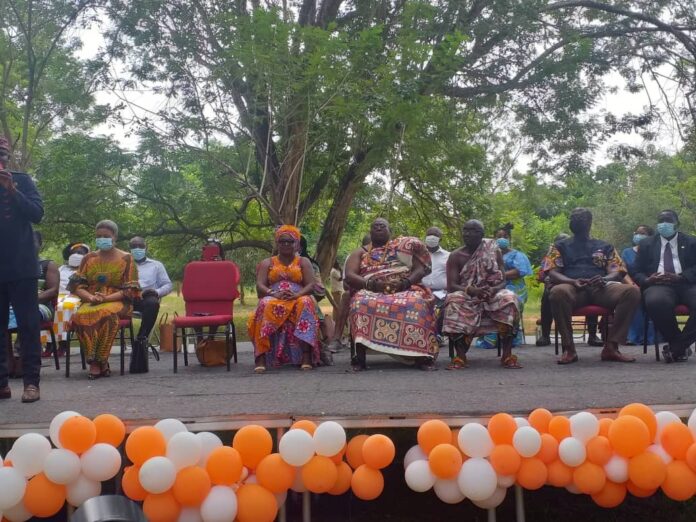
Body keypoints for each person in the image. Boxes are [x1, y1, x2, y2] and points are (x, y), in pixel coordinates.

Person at [545, 208, 640, 364]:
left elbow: (617, 271)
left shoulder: (605, 246)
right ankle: (569, 349)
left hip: (600, 287)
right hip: (572, 287)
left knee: (631, 291)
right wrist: (571, 281)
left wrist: (604, 279)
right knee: (557, 292)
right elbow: (552, 272)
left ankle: (611, 347)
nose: (576, 221)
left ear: (589, 222)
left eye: (580, 218)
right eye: (573, 218)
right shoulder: (559, 246)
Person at [345, 218, 438, 371]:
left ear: (390, 231)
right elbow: (349, 275)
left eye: (383, 226)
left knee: (417, 303)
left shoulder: (401, 249)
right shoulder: (360, 252)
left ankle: (423, 357)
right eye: (375, 226)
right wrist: (374, 285)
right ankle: (359, 359)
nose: (379, 228)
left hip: (404, 289)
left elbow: (420, 269)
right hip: (371, 290)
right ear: (370, 232)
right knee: (359, 302)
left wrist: (405, 283)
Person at [443, 220, 522, 369]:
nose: (467, 234)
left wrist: (493, 290)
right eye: (465, 230)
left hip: (491, 292)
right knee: (453, 300)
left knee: (509, 298)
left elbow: (503, 280)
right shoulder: (455, 255)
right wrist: (472, 290)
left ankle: (507, 355)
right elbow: (452, 286)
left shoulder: (493, 250)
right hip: (467, 294)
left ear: (481, 235)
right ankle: (460, 356)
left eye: (472, 231)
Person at [0, 135, 44, 402]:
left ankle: (31, 383)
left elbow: (37, 214)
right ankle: (1, 384)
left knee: (28, 326)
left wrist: (13, 191)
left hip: (23, 266)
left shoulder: (22, 180)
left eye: (2, 156)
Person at [68, 220, 141, 379]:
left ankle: (99, 361)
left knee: (106, 313)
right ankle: (98, 362)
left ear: (115, 237)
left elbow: (130, 290)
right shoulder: (88, 258)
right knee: (80, 316)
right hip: (91, 300)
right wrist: (90, 297)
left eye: (106, 236)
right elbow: (77, 286)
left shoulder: (126, 258)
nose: (102, 239)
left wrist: (106, 298)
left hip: (118, 301)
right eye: (99, 236)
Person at [248, 225, 321, 373]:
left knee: (306, 302)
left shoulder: (303, 262)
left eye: (290, 241)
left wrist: (297, 294)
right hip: (274, 296)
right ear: (277, 243)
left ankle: (306, 355)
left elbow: (311, 284)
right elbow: (260, 284)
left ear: (297, 244)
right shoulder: (267, 262)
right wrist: (273, 293)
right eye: (282, 241)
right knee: (264, 303)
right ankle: (260, 357)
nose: (286, 244)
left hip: (297, 296)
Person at [634, 210, 696, 363]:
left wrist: (682, 276)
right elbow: (636, 271)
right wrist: (648, 279)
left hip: (686, 283)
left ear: (677, 224)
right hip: (658, 284)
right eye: (661, 221)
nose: (664, 224)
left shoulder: (691, 242)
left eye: (668, 221)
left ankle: (676, 347)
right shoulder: (646, 244)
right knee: (656, 302)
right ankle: (680, 347)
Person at [477, 224, 532, 348]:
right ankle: (490, 337)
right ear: (494, 239)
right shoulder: (488, 255)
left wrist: (497, 275)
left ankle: (509, 337)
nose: (502, 239)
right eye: (499, 236)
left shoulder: (518, 255)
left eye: (505, 236)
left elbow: (518, 272)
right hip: (494, 288)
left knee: (509, 301)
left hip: (516, 289)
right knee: (485, 300)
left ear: (509, 239)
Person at [129, 236, 172, 343]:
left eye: (140, 246)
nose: (137, 249)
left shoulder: (156, 265)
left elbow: (168, 285)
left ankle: (141, 338)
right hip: (127, 298)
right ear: (130, 249)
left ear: (146, 248)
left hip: (146, 298)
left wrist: (156, 292)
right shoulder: (124, 264)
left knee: (153, 303)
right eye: (134, 246)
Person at [621, 225, 658, 345]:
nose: (638, 236)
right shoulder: (626, 252)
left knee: (652, 299)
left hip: (651, 284)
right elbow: (623, 272)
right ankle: (633, 337)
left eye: (642, 234)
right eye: (636, 233)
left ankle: (651, 337)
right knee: (633, 298)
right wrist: (632, 285)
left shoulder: (655, 251)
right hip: (632, 286)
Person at [535, 233, 569, 346]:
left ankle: (592, 335)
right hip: (554, 286)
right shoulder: (550, 257)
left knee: (590, 289)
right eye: (560, 243)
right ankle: (545, 336)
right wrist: (546, 278)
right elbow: (541, 274)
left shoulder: (574, 253)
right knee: (547, 295)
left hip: (573, 285)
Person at [421, 226, 450, 341]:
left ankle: (438, 335)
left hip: (441, 292)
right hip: (422, 291)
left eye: (435, 235)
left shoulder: (448, 256)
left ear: (440, 239)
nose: (432, 237)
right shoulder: (419, 255)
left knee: (440, 309)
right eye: (430, 235)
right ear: (425, 237)